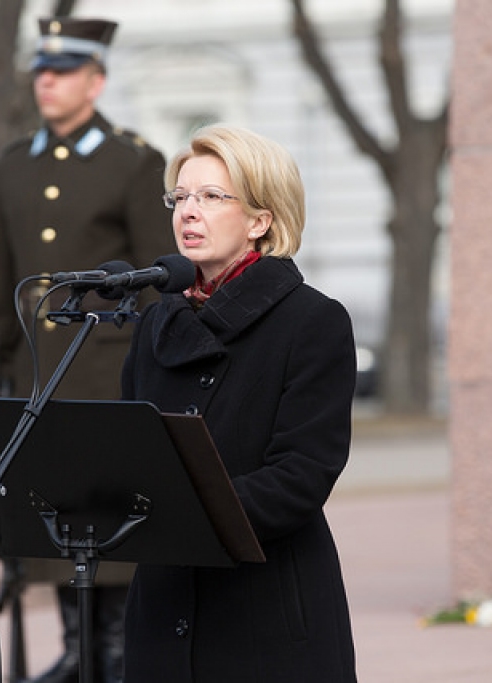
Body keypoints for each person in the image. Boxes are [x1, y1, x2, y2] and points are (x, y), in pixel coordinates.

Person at [120, 124, 359, 682]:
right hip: (162, 611)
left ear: (260, 220)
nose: (188, 212)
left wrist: (186, 511)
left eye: (210, 196)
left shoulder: (312, 322)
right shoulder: (156, 322)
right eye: (179, 197)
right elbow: (135, 456)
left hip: (265, 615)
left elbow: (302, 473)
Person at [0, 16, 176, 683]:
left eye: (61, 72)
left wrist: (156, 369)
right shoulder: (12, 165)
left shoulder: (134, 160)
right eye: (41, 71)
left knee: (109, 516)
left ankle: (116, 650)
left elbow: (158, 277)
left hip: (107, 373)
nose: (47, 82)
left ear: (96, 81)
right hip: (39, 376)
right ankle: (78, 644)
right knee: (52, 516)